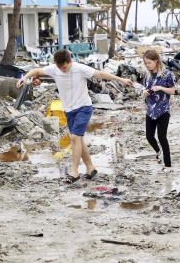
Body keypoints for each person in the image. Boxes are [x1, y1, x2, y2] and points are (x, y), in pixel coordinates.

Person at [17, 49, 133, 183]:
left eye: (65, 67)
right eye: (60, 67)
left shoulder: (80, 68)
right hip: (69, 110)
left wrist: (121, 79)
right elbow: (36, 71)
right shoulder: (54, 69)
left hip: (84, 107)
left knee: (75, 137)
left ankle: (74, 172)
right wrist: (24, 78)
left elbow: (101, 73)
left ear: (70, 62)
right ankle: (90, 168)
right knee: (79, 140)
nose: (63, 70)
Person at [141, 50, 176, 172]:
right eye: (145, 63)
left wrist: (160, 88)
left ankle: (168, 166)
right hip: (150, 110)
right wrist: (144, 92)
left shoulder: (167, 74)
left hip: (163, 110)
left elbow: (173, 91)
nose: (147, 65)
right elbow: (144, 89)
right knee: (149, 136)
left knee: (162, 137)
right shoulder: (146, 75)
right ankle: (158, 151)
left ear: (156, 61)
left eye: (149, 63)